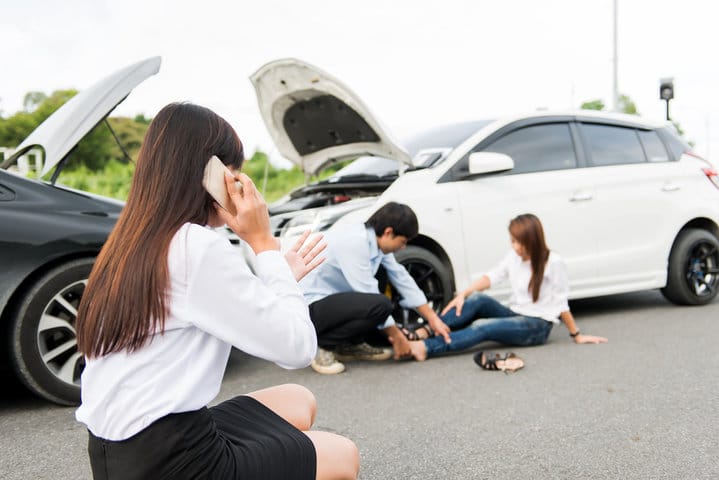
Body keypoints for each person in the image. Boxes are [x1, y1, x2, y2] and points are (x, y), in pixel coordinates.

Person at [75, 102, 359, 480]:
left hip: (121, 451)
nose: (238, 182)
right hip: (171, 461)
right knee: (342, 455)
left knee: (299, 400)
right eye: (233, 170)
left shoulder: (134, 240)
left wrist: (280, 274)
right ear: (208, 173)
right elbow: (297, 349)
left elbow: (219, 306)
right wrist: (263, 245)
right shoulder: (195, 245)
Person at [407, 213, 607, 368]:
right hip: (517, 313)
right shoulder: (514, 256)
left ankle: (426, 347)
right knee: (478, 300)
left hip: (537, 326)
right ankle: (427, 331)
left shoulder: (553, 262)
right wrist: (463, 295)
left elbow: (561, 303)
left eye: (520, 242)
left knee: (482, 326)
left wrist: (577, 335)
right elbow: (491, 277)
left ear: (533, 240)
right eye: (513, 241)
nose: (516, 246)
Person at [300, 202, 451, 374]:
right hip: (308, 309)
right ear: (388, 232)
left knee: (382, 278)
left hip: (330, 302)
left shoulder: (374, 242)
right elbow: (368, 293)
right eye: (403, 242)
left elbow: (401, 277)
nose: (403, 247)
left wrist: (432, 318)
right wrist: (398, 338)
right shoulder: (354, 243)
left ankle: (350, 345)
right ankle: (322, 345)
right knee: (381, 305)